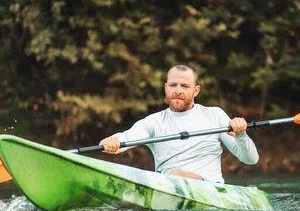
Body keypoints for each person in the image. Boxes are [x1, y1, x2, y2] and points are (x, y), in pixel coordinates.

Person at [99, 64, 259, 183]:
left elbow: (251, 159)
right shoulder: (154, 122)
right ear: (166, 88)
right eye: (173, 85)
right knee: (174, 175)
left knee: (176, 174)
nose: (178, 90)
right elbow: (127, 137)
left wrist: (240, 134)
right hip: (168, 187)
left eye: (184, 86)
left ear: (196, 91)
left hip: (210, 192)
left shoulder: (215, 115)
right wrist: (112, 141)